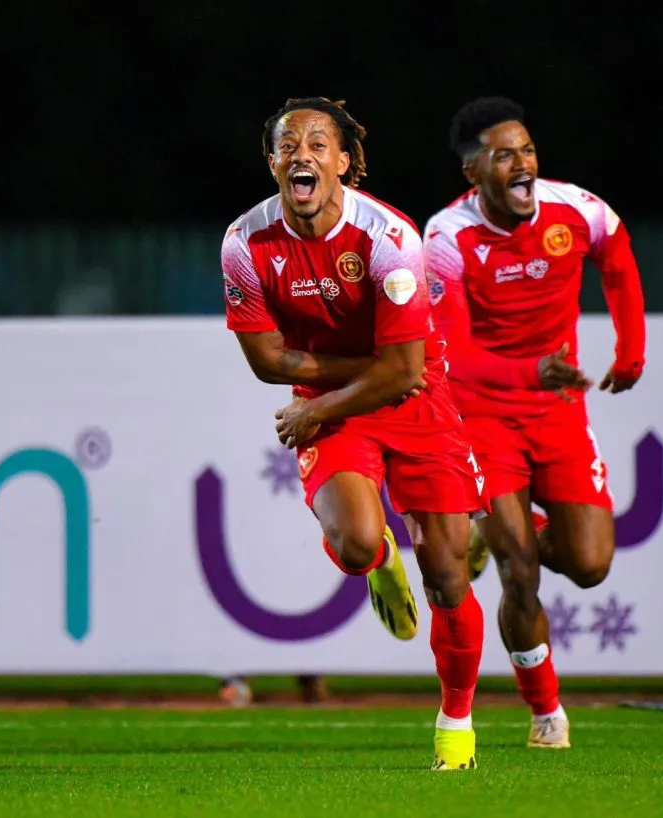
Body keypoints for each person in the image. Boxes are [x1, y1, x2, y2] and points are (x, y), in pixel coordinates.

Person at [221, 97, 489, 771]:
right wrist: (341, 389)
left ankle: (455, 726)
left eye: (318, 143)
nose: (301, 154)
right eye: (288, 144)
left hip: (416, 401)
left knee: (451, 575)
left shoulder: (390, 239)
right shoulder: (244, 244)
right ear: (272, 160)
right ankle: (379, 565)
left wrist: (320, 401)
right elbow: (265, 361)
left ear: (343, 162)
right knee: (355, 542)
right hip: (337, 403)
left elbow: (407, 373)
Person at [423, 96, 646, 749]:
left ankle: (504, 534)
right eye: (503, 155)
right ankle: (546, 711)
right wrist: (527, 374)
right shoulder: (447, 239)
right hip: (483, 416)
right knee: (521, 572)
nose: (522, 164)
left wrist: (630, 350)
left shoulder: (574, 210)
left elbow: (618, 257)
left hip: (558, 412)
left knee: (590, 562)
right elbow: (453, 357)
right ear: (474, 174)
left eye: (526, 150)